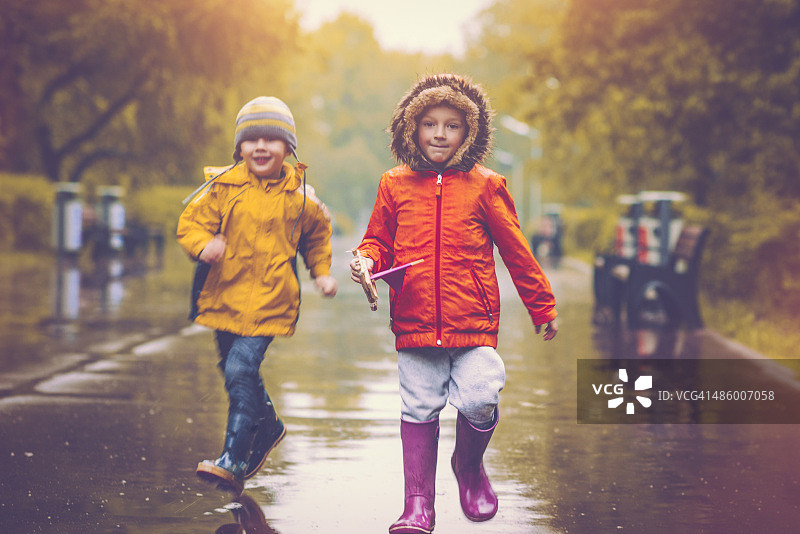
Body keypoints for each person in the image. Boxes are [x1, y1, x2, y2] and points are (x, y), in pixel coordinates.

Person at [349, 74, 558, 534]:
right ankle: (417, 507)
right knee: (418, 407)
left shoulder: (486, 186)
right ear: (412, 128)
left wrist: (542, 306)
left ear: (470, 132)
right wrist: (365, 261)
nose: (439, 134)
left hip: (473, 325)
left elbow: (516, 251)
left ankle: (468, 466)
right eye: (429, 124)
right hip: (415, 323)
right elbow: (377, 241)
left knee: (483, 394)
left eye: (451, 125)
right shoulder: (393, 185)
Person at [178, 96, 337, 496]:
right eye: (252, 140)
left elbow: (317, 236)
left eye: (271, 139)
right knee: (230, 369)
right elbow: (190, 223)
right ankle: (268, 426)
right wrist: (203, 246)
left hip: (270, 302)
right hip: (224, 298)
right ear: (240, 147)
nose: (261, 147)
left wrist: (321, 273)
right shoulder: (222, 187)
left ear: (288, 148)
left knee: (240, 371)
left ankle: (233, 458)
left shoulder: (301, 197)